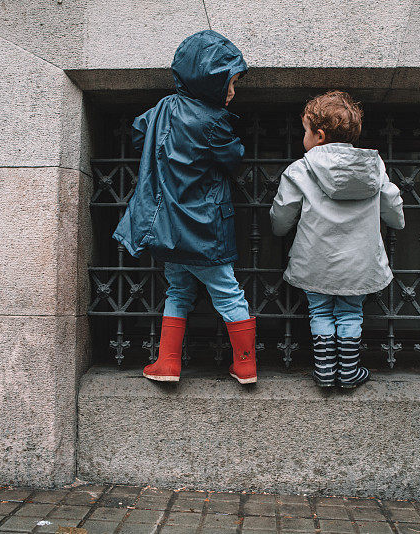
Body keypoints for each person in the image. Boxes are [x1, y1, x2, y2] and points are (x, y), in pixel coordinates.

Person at [113, 30, 257, 384]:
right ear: (210, 83)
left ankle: (168, 363)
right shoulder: (213, 122)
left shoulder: (162, 108)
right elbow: (232, 158)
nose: (233, 92)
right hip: (204, 229)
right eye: (230, 84)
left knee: (177, 290)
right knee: (227, 291)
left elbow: (138, 132)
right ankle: (245, 363)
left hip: (166, 228)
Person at [269, 91, 405, 388]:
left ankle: (325, 372)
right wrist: (397, 221)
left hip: (315, 258)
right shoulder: (373, 168)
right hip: (359, 260)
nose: (302, 136)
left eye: (305, 131)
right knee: (350, 312)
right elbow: (392, 205)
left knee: (319, 310)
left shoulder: (300, 170)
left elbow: (282, 215)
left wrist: (279, 230)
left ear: (318, 135)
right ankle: (349, 372)